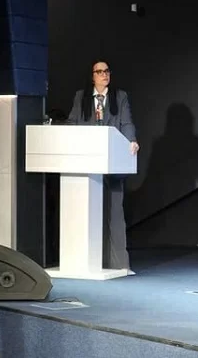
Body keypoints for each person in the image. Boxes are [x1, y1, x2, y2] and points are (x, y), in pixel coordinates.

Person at [67, 59, 139, 272]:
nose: (104, 74)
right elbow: (72, 122)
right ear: (92, 76)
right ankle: (84, 262)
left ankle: (119, 265)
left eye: (106, 71)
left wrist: (132, 140)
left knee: (114, 212)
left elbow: (126, 123)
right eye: (99, 72)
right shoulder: (81, 97)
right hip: (87, 162)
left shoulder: (120, 97)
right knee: (86, 213)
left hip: (112, 161)